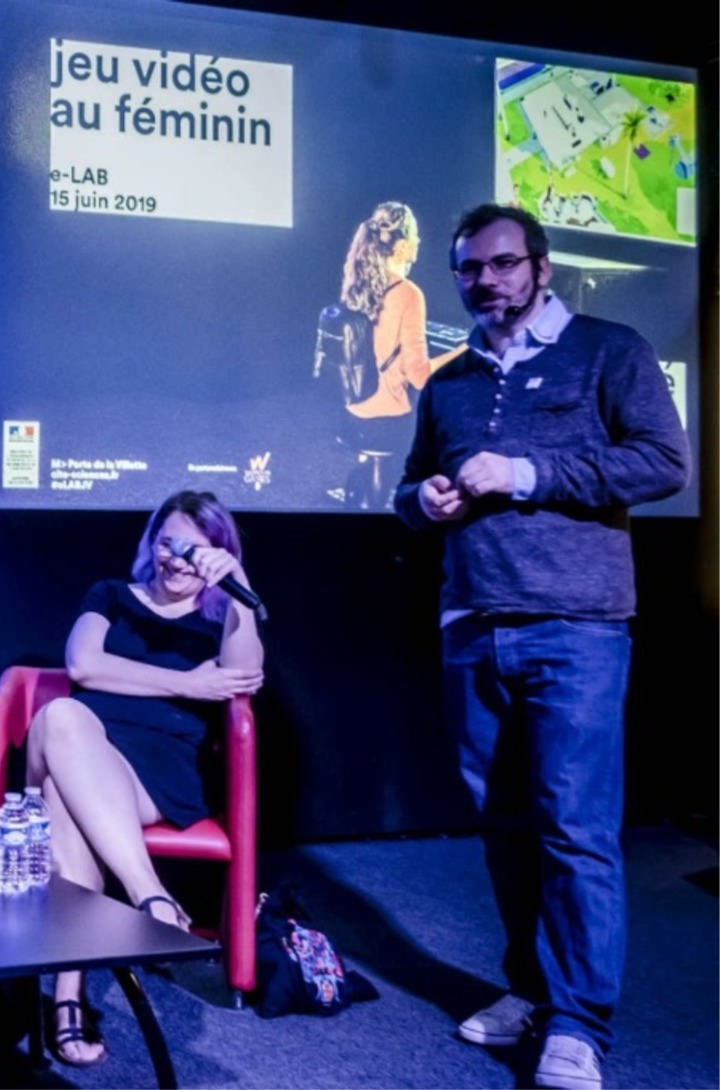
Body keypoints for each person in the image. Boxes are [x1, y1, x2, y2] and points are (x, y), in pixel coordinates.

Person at [395, 203, 688, 1090]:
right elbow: (408, 490)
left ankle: (579, 1025)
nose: (486, 281)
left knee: (578, 834)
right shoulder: (447, 379)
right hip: (473, 625)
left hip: (578, 627)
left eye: (502, 264)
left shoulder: (611, 349)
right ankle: (530, 991)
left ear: (542, 267)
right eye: (469, 270)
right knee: (508, 831)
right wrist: (426, 504)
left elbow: (664, 462)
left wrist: (525, 474)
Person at [25, 490, 263, 1066]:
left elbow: (245, 675)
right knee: (62, 716)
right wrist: (187, 683)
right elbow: (82, 666)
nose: (177, 560)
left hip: (155, 773)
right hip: (77, 739)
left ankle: (66, 997)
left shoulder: (219, 618)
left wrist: (239, 589)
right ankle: (149, 896)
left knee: (65, 794)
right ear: (151, 544)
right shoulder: (110, 595)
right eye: (168, 544)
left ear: (216, 555)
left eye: (195, 551)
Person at [332, 201, 460, 506]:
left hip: (353, 406)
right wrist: (466, 349)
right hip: (387, 419)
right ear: (402, 246)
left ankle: (357, 498)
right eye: (415, 237)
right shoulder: (408, 294)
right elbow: (419, 376)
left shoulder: (358, 283)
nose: (420, 242)